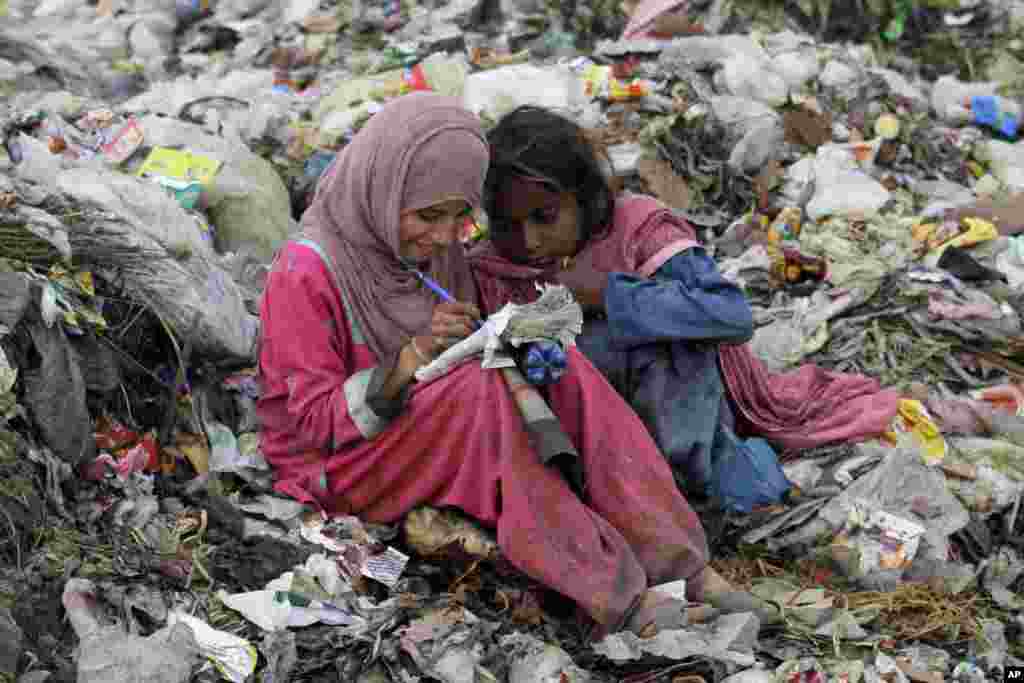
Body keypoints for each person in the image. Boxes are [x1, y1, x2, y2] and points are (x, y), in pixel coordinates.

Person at [256, 92, 745, 640]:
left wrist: (508, 337)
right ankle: (616, 596)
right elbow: (315, 425)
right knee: (484, 396)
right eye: (427, 215)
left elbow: (466, 352)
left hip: (425, 427)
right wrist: (413, 357)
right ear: (381, 186)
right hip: (342, 465)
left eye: (459, 216)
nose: (443, 236)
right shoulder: (305, 274)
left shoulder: (430, 253)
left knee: (558, 365)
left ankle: (682, 563)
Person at [470, 106, 902, 502]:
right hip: (586, 438)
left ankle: (693, 489)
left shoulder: (635, 229)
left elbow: (729, 314)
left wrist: (609, 295)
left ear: (582, 197)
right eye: (510, 223)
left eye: (544, 217)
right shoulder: (494, 265)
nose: (529, 241)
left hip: (681, 422)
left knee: (668, 345)